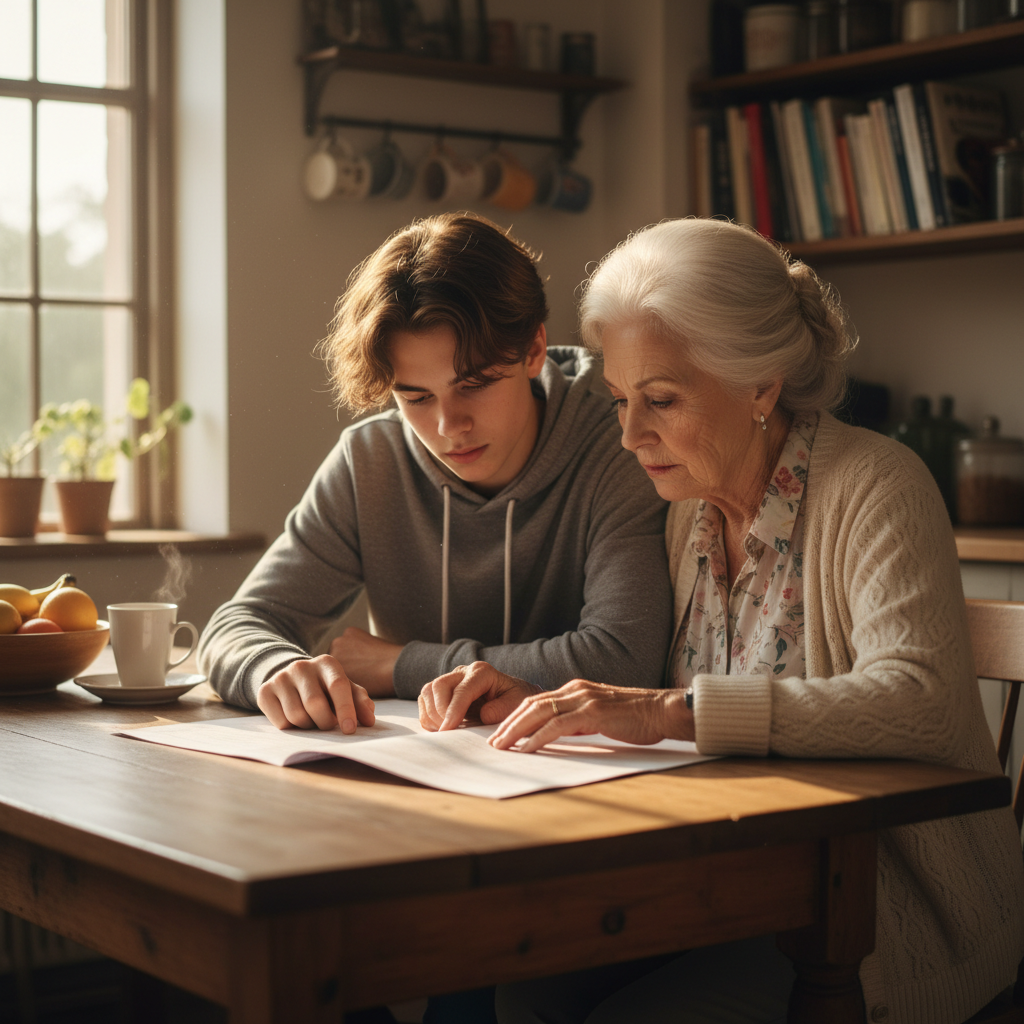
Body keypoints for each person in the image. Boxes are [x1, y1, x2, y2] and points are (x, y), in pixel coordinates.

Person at [430, 218, 1024, 1024]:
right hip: (740, 885)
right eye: (619, 402)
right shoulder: (689, 514)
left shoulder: (879, 485)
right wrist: (528, 687)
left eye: (662, 401)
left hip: (879, 912)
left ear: (762, 385)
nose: (632, 435)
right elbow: (650, 696)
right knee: (520, 993)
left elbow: (917, 698)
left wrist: (673, 711)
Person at [198, 211, 672, 735]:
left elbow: (625, 659)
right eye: (416, 397)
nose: (449, 426)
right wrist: (278, 669)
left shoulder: (619, 442)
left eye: (474, 384)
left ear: (533, 350)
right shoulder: (371, 462)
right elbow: (236, 625)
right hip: (419, 778)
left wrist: (398, 665)